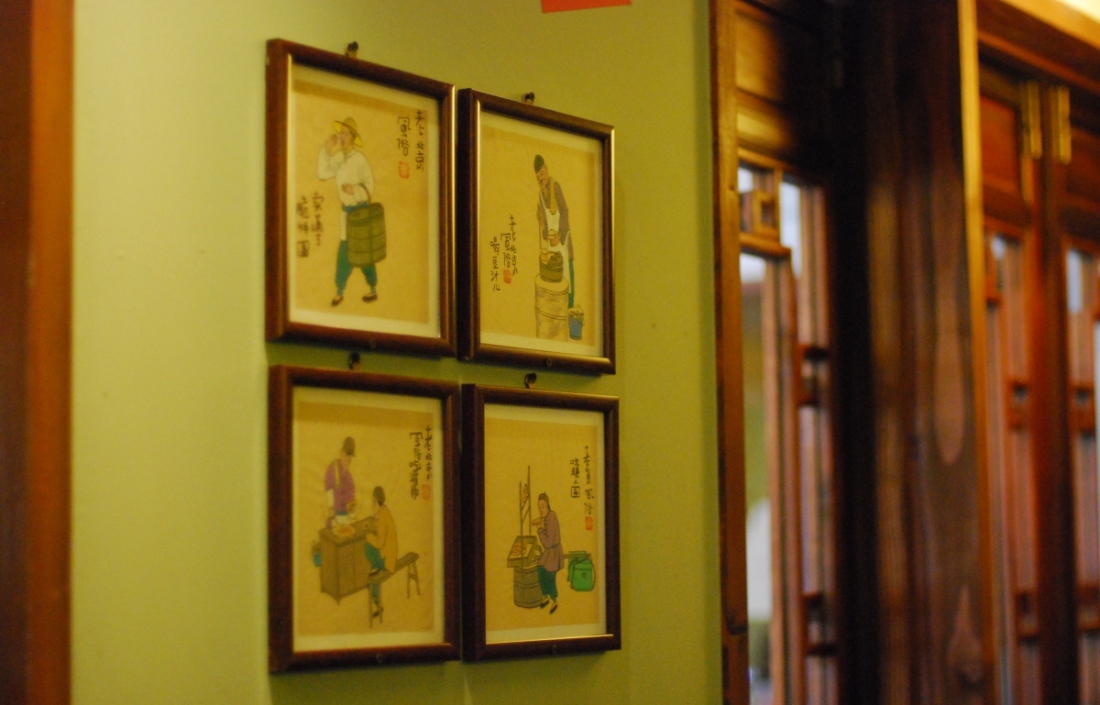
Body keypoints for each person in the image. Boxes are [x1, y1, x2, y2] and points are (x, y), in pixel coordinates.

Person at [317, 117, 378, 306]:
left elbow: (370, 186)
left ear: (352, 137)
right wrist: (326, 150)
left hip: (361, 213)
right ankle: (339, 291)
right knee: (344, 253)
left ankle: (373, 288)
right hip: (346, 214)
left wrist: (355, 190)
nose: (342, 137)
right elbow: (322, 173)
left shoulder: (360, 160)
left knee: (364, 253)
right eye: (340, 133)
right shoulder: (338, 159)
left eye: (345, 134)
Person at [534, 155, 574, 307]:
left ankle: (570, 311)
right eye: (538, 177)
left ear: (546, 169)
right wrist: (541, 221)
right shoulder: (540, 194)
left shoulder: (555, 186)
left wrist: (560, 235)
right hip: (552, 245)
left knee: (566, 278)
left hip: (562, 242)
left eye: (542, 174)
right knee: (553, 281)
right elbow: (545, 222)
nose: (541, 179)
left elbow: (564, 210)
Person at [364, 486, 398, 619]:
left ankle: (377, 602)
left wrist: (368, 536)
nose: (372, 504)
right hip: (387, 555)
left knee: (367, 547)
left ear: (378, 501)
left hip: (387, 560)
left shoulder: (383, 516)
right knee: (370, 551)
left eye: (373, 501)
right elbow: (379, 529)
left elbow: (379, 543)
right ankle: (377, 602)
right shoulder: (383, 511)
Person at [534, 492, 564, 614]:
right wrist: (541, 524)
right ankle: (545, 596)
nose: (541, 509)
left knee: (550, 576)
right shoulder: (545, 518)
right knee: (540, 569)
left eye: (543, 506)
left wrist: (540, 530)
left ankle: (554, 600)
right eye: (539, 507)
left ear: (548, 505)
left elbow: (547, 543)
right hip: (548, 553)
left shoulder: (552, 517)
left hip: (554, 552)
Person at [324, 437, 358, 525]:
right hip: (334, 518)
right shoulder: (333, 468)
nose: (348, 460)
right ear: (341, 453)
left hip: (346, 519)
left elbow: (352, 500)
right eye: (346, 456)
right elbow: (328, 489)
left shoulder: (350, 478)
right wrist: (331, 507)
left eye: (350, 458)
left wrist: (352, 513)